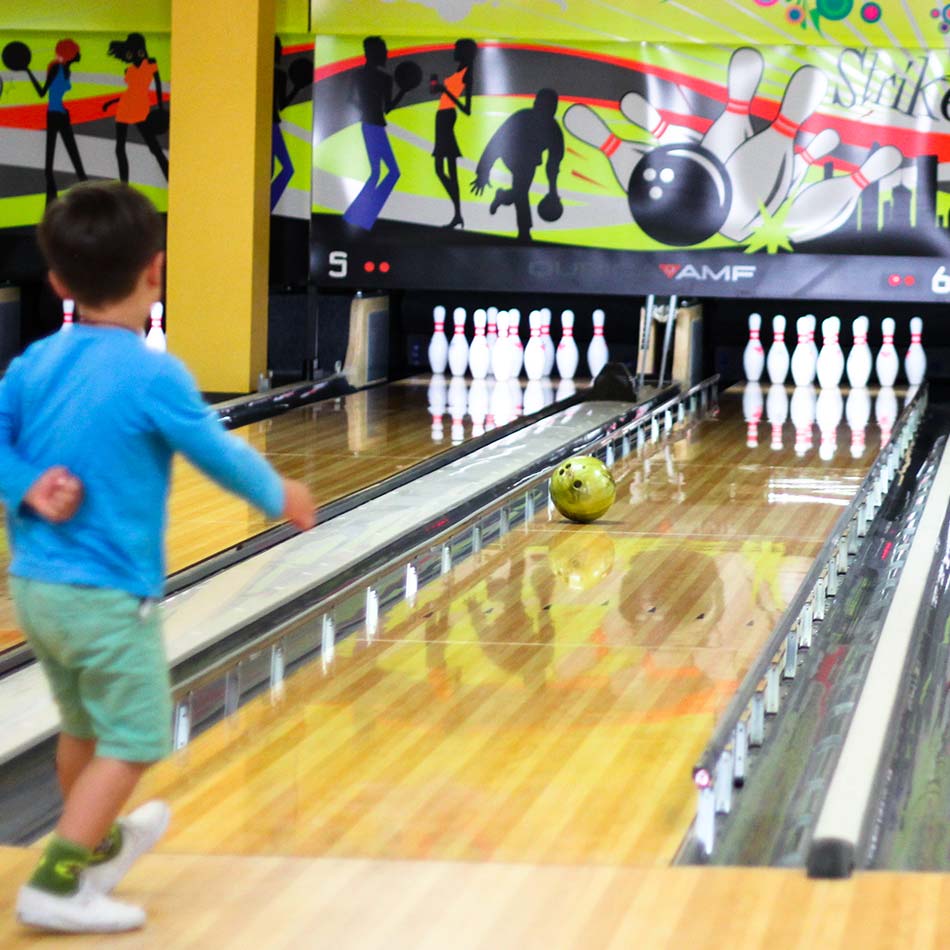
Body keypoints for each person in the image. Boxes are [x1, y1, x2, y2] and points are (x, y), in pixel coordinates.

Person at [0, 181, 315, 933]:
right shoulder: (154, 374)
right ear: (157, 271)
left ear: (55, 281)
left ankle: (96, 839)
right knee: (136, 737)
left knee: (83, 726)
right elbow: (215, 453)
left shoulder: (30, 365)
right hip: (110, 598)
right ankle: (57, 877)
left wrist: (29, 488)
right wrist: (282, 494)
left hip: (37, 593)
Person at [471, 88, 564, 241]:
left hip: (530, 160)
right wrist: (483, 172)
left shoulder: (554, 131)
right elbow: (495, 143)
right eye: (543, 106)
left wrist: (553, 191)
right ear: (535, 105)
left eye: (550, 107)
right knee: (521, 191)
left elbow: (553, 165)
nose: (545, 111)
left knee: (520, 191)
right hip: (511, 155)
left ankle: (503, 197)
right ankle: (524, 232)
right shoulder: (521, 118)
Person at [342, 36, 408, 231]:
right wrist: (402, 91)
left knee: (380, 172)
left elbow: (350, 100)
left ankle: (359, 215)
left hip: (371, 125)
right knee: (387, 172)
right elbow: (388, 107)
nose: (387, 54)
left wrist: (364, 108)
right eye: (384, 51)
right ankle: (361, 215)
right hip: (374, 126)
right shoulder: (383, 79)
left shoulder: (360, 76)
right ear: (375, 53)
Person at [23, 39, 88, 205]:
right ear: (70, 54)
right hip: (53, 115)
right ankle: (51, 203)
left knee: (75, 158)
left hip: (62, 114)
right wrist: (28, 72)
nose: (79, 54)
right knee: (50, 161)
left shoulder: (67, 70)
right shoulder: (57, 68)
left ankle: (88, 198)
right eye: (77, 52)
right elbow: (42, 92)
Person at [101, 33, 168, 183]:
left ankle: (170, 179)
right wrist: (111, 102)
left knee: (154, 148)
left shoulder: (151, 63)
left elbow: (157, 85)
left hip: (140, 109)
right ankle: (124, 186)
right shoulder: (129, 70)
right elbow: (130, 92)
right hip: (125, 108)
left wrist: (160, 107)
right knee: (120, 148)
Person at [431, 39, 477, 229]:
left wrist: (445, 91)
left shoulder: (468, 73)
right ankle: (458, 214)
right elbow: (438, 93)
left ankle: (458, 213)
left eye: (457, 49)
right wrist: (437, 88)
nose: (454, 51)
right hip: (441, 117)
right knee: (443, 169)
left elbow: (467, 109)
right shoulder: (459, 69)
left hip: (447, 117)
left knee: (445, 169)